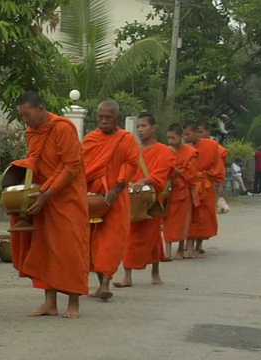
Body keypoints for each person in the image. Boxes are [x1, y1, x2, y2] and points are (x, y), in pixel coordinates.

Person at [10, 92, 90, 319]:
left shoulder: (62, 128)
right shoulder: (32, 132)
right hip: (43, 195)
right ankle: (50, 303)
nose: (26, 120)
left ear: (41, 108)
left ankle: (73, 302)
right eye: (22, 116)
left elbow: (71, 167)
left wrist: (48, 192)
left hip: (67, 197)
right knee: (44, 247)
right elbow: (33, 160)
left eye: (28, 114)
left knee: (70, 248)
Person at [82, 100, 139, 301]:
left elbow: (131, 165)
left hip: (116, 197)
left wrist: (117, 188)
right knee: (93, 242)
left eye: (109, 117)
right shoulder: (90, 139)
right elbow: (82, 168)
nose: (104, 121)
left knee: (111, 241)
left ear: (118, 119)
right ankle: (100, 285)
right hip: (92, 198)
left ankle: (106, 284)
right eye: (101, 117)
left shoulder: (126, 139)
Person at [114, 114, 174, 287]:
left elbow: (163, 171)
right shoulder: (132, 149)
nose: (140, 129)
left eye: (144, 126)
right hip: (132, 197)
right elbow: (124, 168)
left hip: (152, 198)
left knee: (153, 236)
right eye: (138, 126)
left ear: (153, 128)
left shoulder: (163, 151)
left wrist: (144, 181)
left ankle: (155, 272)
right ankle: (127, 275)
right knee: (130, 235)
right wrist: (129, 181)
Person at [182, 123, 226, 258]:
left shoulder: (212, 146)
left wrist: (220, 185)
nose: (185, 137)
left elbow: (219, 166)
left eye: (188, 134)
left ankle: (197, 246)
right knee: (189, 215)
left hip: (205, 186)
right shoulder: (184, 148)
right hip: (189, 185)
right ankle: (188, 247)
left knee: (203, 216)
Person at [163, 124, 198, 260]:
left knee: (182, 221)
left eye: (173, 138)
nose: (170, 141)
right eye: (168, 138)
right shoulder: (166, 151)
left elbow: (192, 175)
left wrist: (177, 170)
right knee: (167, 221)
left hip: (183, 191)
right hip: (168, 191)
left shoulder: (190, 153)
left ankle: (180, 249)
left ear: (181, 137)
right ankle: (167, 251)